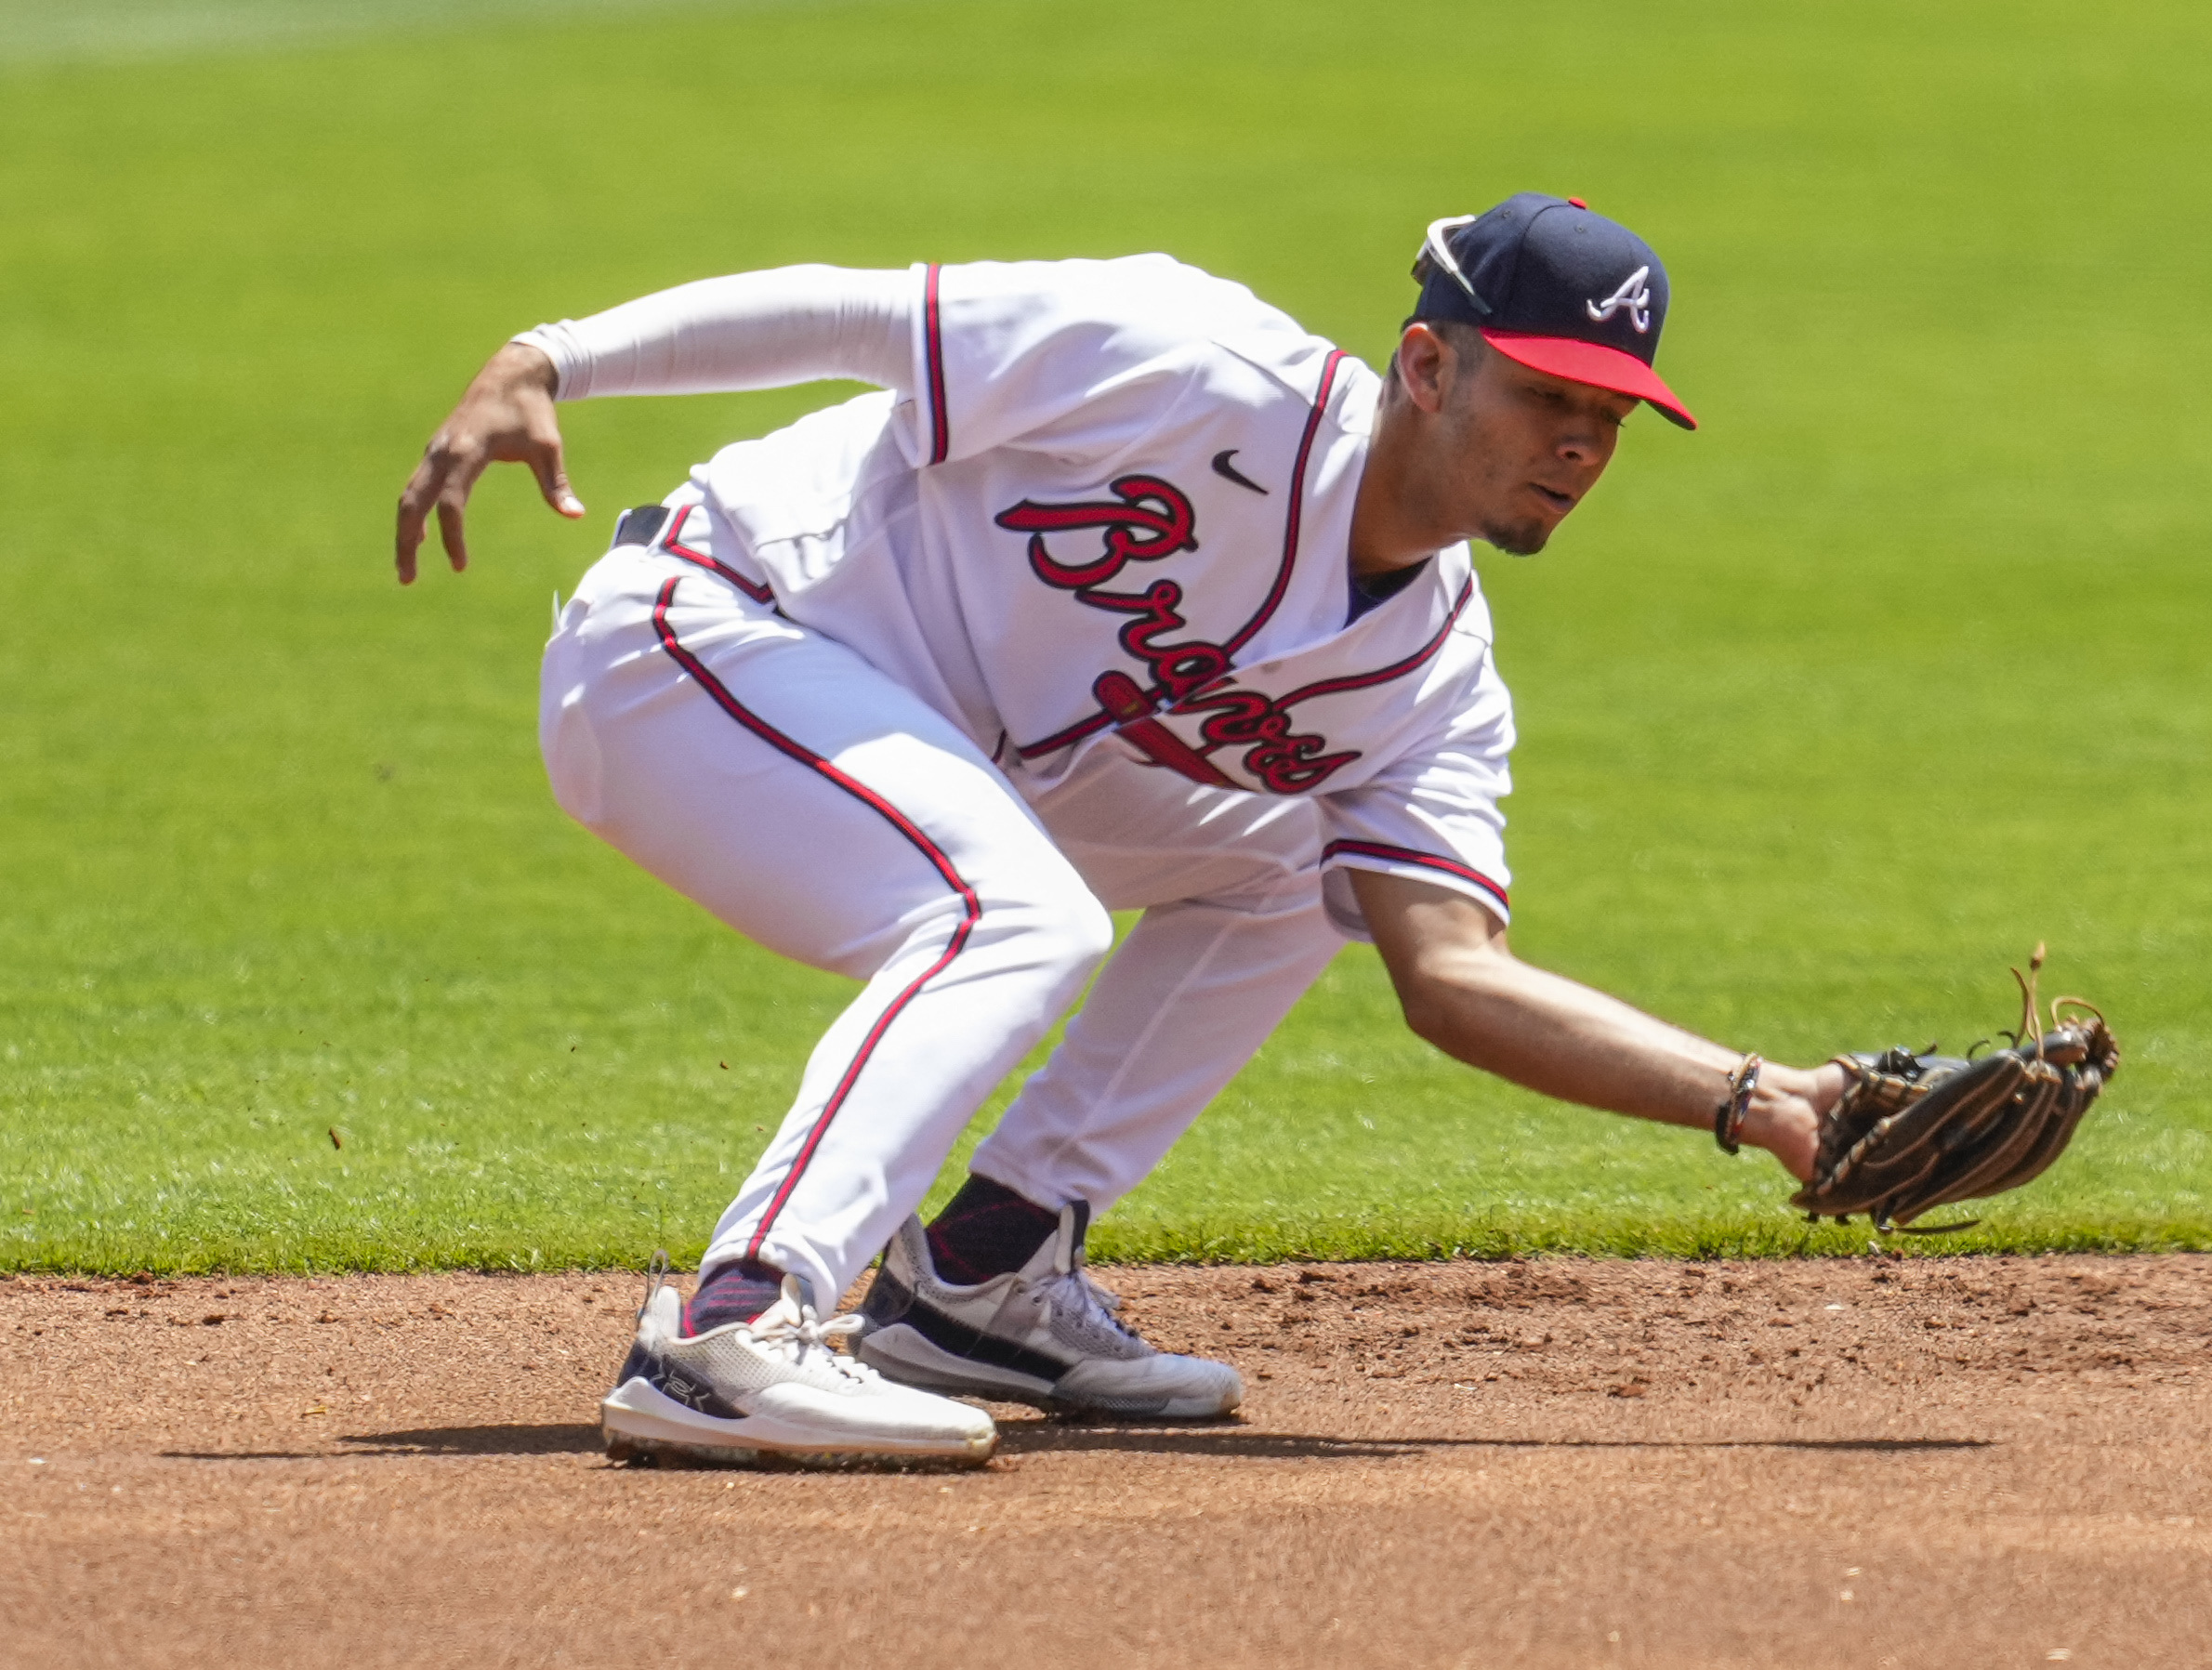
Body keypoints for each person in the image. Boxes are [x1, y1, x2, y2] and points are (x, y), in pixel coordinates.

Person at [395, 192, 1848, 1467]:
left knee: (1295, 864)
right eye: (1550, 397)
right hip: (702, 632)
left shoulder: (1434, 680)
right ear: (1427, 363)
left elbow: (1451, 972)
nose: (1583, 446)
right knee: (1015, 910)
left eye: (1611, 418)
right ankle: (733, 1328)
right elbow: (861, 318)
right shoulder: (1191, 363)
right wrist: (552, 357)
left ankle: (987, 1272)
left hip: (921, 744)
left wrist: (1761, 1095)